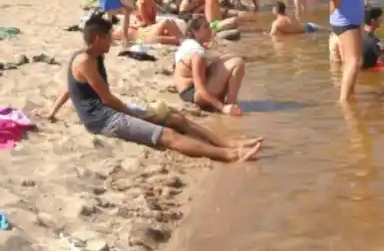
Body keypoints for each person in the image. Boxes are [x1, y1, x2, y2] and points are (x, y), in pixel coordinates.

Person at [44, 15, 261, 162]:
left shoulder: (93, 54)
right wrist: (136, 114)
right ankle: (229, 155)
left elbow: (70, 87)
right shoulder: (84, 61)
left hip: (110, 109)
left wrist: (52, 111)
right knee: (167, 135)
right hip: (101, 119)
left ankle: (227, 142)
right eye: (110, 37)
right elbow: (107, 99)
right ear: (99, 38)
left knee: (176, 118)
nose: (113, 41)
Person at [306, 0, 365, 102]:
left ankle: (350, 96)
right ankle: (344, 102)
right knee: (353, 62)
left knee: (353, 62)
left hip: (355, 18)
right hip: (344, 19)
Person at [174, 17, 245, 114]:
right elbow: (200, 88)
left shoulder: (189, 44)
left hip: (187, 91)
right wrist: (222, 108)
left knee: (230, 58)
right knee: (238, 63)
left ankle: (227, 102)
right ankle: (230, 104)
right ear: (195, 31)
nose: (210, 30)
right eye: (206, 27)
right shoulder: (197, 53)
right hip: (193, 95)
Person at [329, 6, 384, 72]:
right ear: (373, 21)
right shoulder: (374, 41)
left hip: (355, 67)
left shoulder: (356, 34)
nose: (381, 21)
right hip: (367, 69)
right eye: (379, 19)